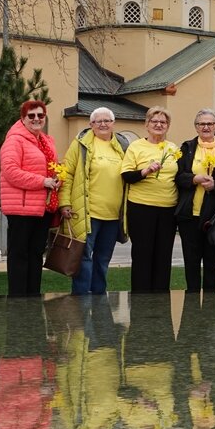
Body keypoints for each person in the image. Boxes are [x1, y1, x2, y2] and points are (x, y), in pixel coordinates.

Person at [59, 107, 129, 295]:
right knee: (83, 257)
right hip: (86, 212)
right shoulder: (80, 144)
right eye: (98, 121)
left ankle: (99, 297)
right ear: (91, 125)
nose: (103, 124)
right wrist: (64, 202)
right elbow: (67, 173)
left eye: (107, 120)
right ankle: (81, 298)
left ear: (113, 124)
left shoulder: (122, 146)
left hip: (113, 215)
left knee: (103, 258)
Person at [0, 100, 60, 296]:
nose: (36, 119)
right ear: (23, 118)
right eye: (31, 115)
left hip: (42, 208)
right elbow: (10, 172)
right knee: (19, 256)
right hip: (21, 208)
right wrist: (43, 181)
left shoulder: (46, 141)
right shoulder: (14, 140)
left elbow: (50, 169)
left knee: (35, 255)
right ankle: (18, 300)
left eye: (40, 115)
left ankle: (33, 297)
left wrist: (57, 179)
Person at [175, 109, 215, 292]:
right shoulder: (187, 148)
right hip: (190, 213)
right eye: (202, 124)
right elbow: (178, 177)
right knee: (191, 261)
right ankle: (192, 302)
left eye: (210, 124)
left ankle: (211, 304)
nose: (206, 127)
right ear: (196, 127)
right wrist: (194, 179)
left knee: (212, 263)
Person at [120, 106, 179, 293]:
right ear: (146, 124)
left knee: (163, 255)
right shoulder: (136, 147)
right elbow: (126, 175)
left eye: (163, 122)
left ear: (168, 126)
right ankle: (141, 297)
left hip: (168, 208)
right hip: (141, 207)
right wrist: (145, 171)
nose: (159, 125)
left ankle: (161, 297)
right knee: (142, 254)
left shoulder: (173, 149)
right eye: (154, 121)